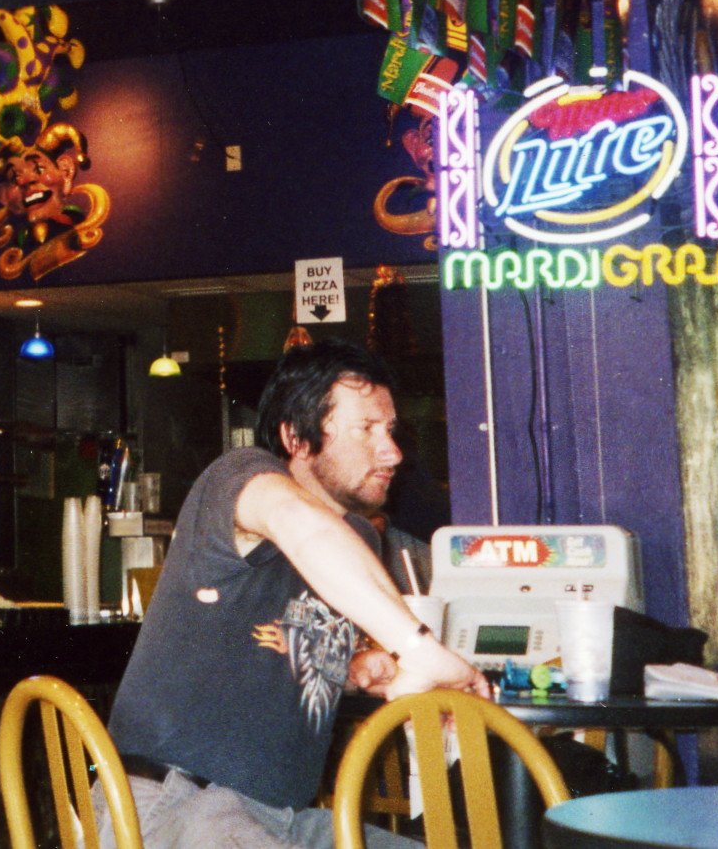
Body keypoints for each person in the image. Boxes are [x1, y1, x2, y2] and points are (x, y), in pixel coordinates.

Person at [104, 339, 486, 848]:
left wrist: (353, 668)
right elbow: (299, 524)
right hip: (174, 807)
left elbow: (272, 638)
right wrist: (418, 647)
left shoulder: (358, 537)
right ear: (296, 437)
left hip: (280, 818)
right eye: (367, 428)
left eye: (390, 430)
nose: (392, 451)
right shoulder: (238, 478)